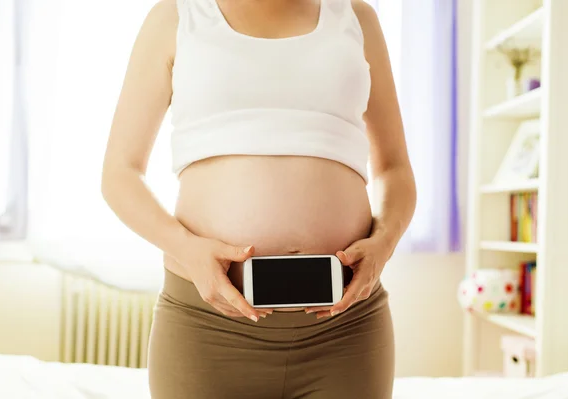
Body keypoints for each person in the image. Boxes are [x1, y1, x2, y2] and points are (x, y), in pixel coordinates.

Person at [101, 0, 416, 397]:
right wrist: (187, 248)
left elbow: (395, 169)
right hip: (207, 328)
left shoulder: (357, 18)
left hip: (345, 329)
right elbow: (120, 174)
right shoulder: (178, 16)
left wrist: (384, 242)